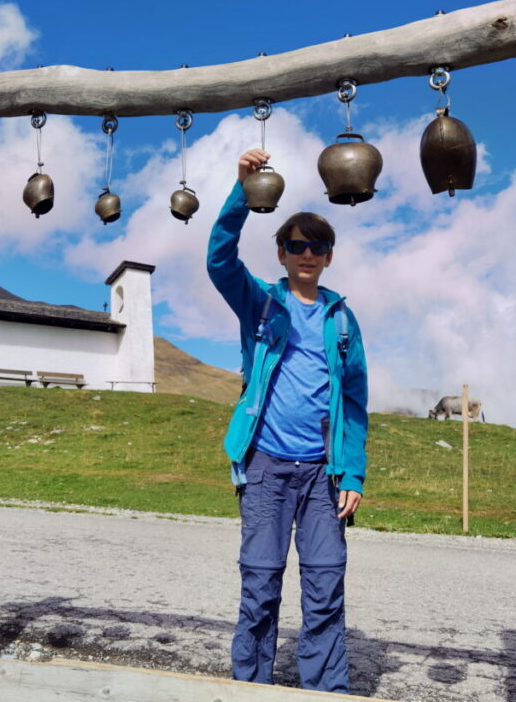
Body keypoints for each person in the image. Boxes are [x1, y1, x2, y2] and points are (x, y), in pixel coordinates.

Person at [206, 148, 368, 693]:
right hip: (268, 468)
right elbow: (219, 262)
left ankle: (324, 691)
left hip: (324, 474)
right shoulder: (261, 304)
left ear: (328, 256)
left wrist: (354, 473)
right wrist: (241, 191)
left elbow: (353, 403)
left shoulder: (342, 320)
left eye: (317, 246)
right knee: (261, 585)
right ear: (280, 253)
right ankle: (250, 687)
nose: (306, 254)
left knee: (326, 587)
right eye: (296, 245)